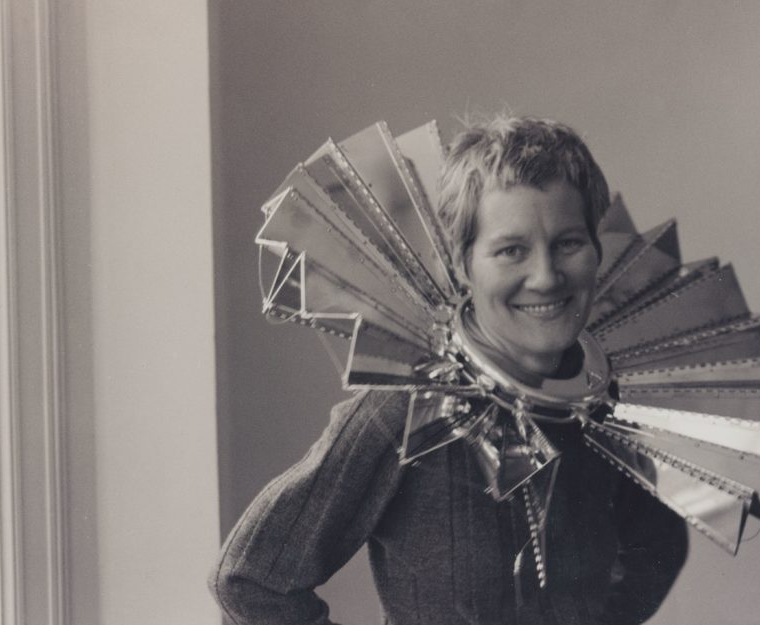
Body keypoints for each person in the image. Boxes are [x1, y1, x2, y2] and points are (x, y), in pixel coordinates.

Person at [209, 115, 689, 625]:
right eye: (511, 250)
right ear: (463, 264)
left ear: (598, 249)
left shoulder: (600, 402)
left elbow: (659, 548)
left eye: (568, 242)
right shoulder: (403, 407)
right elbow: (250, 578)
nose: (546, 276)